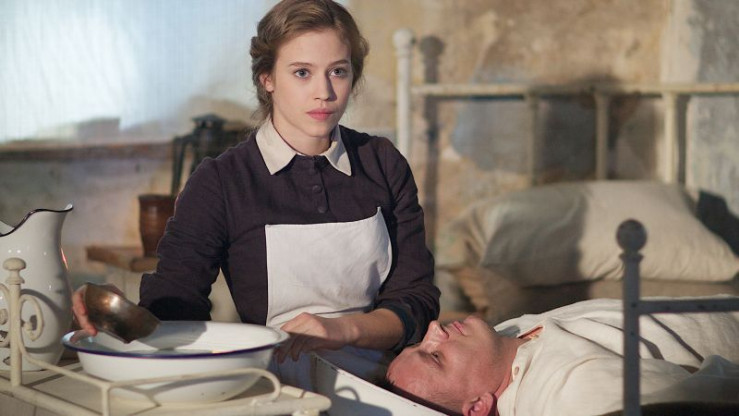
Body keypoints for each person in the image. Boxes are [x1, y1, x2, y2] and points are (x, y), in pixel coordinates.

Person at [72, 0, 439, 389]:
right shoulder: (222, 181)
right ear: (267, 78)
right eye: (302, 72)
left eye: (338, 71)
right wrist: (120, 316)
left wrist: (343, 329)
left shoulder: (381, 162)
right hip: (278, 388)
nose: (324, 92)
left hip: (385, 382)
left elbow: (416, 300)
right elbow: (176, 304)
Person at [386, 298, 739, 416]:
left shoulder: (498, 344)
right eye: (435, 357)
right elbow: (713, 397)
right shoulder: (568, 392)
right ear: (478, 405)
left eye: (418, 344)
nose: (434, 328)